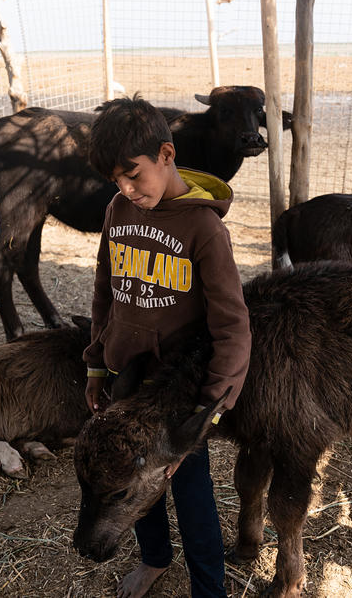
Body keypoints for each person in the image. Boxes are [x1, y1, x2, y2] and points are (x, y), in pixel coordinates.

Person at [82, 96, 251, 598]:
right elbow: (104, 291)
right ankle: (155, 558)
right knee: (129, 482)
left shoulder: (204, 229)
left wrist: (209, 410)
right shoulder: (117, 211)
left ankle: (209, 588)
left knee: (191, 494)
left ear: (166, 153)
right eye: (116, 180)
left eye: (133, 174)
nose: (127, 189)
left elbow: (233, 323)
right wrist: (96, 366)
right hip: (124, 377)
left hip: (177, 398)